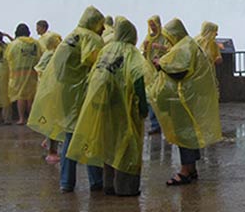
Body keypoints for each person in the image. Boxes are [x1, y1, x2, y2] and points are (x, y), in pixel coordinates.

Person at [67, 17, 153, 196]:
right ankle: (125, 188)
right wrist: (143, 108)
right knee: (127, 146)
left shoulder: (106, 50)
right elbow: (138, 81)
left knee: (109, 145)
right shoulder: (132, 54)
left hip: (103, 106)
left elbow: (94, 75)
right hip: (124, 109)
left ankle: (108, 184)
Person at [28, 5, 106, 193]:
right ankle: (95, 181)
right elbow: (96, 65)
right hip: (82, 94)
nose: (103, 29)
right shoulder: (91, 38)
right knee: (89, 135)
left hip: (65, 94)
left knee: (70, 136)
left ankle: (66, 182)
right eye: (101, 25)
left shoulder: (72, 36)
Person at [147, 18, 221, 186]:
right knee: (190, 135)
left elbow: (180, 72)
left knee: (185, 136)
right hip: (190, 98)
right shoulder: (188, 44)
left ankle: (185, 171)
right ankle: (192, 168)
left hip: (184, 99)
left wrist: (160, 65)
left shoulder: (184, 47)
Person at [34, 32, 63, 164]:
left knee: (49, 119)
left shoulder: (46, 53)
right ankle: (52, 151)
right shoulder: (54, 55)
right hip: (53, 91)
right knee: (54, 121)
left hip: (45, 90)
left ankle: (48, 142)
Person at [6, 23, 42, 125]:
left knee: (21, 96)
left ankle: (22, 118)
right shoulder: (35, 43)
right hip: (32, 73)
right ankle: (31, 118)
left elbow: (8, 57)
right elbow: (40, 55)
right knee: (30, 97)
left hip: (19, 74)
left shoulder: (14, 44)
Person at [141, 15, 171, 135]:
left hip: (161, 70)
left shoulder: (165, 37)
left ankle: (164, 123)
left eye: (154, 25)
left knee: (160, 97)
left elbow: (171, 50)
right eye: (151, 25)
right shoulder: (148, 38)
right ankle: (155, 124)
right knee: (150, 96)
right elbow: (143, 54)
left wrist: (161, 47)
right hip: (150, 71)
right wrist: (146, 48)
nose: (152, 28)